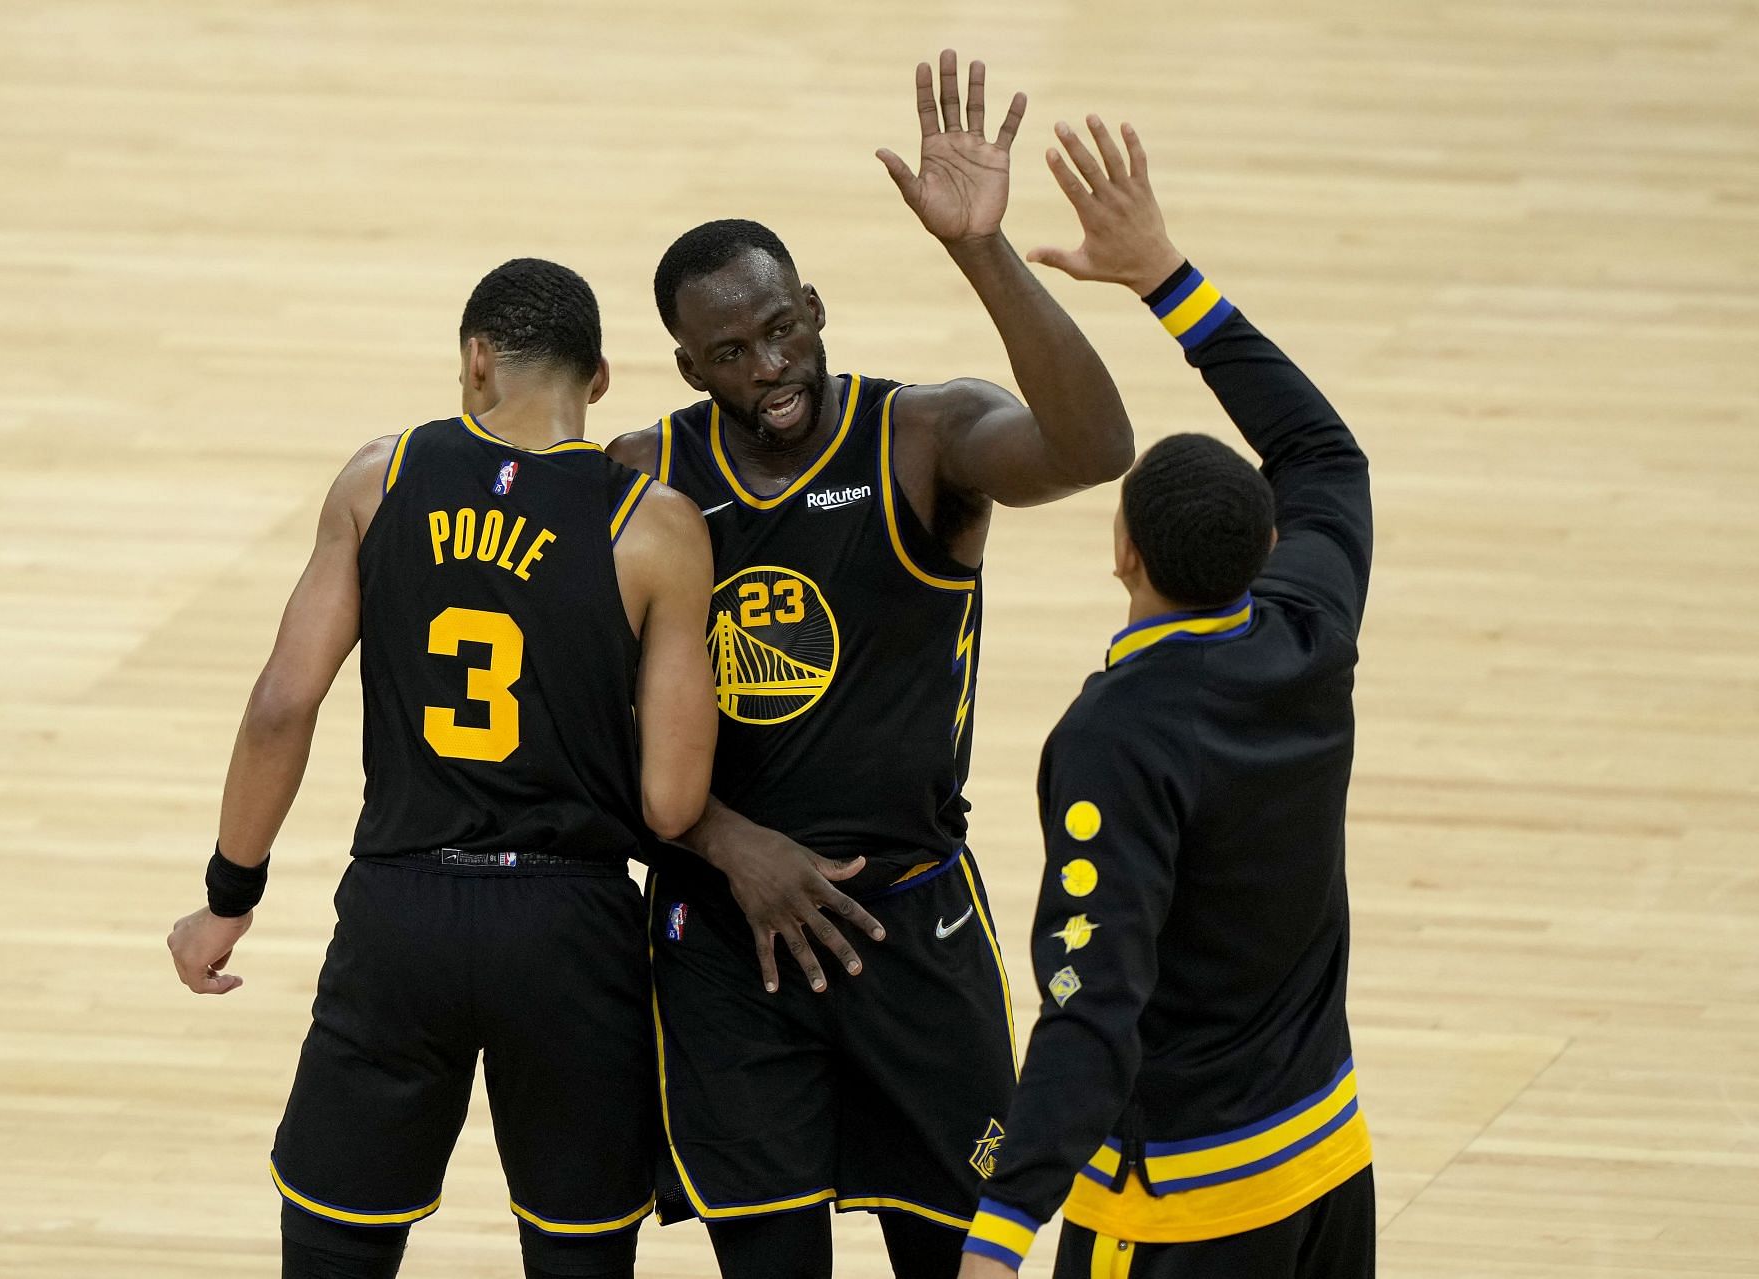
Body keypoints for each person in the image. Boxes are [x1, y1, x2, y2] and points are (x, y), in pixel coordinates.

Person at [608, 51, 1138, 1279]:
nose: (769, 367)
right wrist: (732, 845)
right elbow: (590, 735)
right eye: (731, 352)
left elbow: (1097, 445)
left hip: (910, 922)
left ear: (817, 308)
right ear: (690, 368)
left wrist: (982, 250)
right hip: (723, 936)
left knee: (958, 1260)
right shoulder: (645, 476)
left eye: (782, 328)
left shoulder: (922, 436)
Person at [164, 258, 717, 1279]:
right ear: (599, 381)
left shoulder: (382, 478)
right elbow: (673, 801)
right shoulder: (655, 526)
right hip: (569, 925)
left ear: (476, 362)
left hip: (400, 910)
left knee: (337, 1239)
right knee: (578, 1251)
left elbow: (282, 703)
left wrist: (228, 894)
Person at [958, 115, 1375, 1278]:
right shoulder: (1307, 625)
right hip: (1329, 1161)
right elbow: (1327, 458)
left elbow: (1095, 1001)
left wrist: (1003, 1228)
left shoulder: (1113, 738)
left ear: (1121, 551)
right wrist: (1167, 280)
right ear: (1263, 547)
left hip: (1184, 1209)